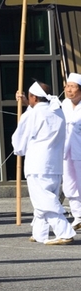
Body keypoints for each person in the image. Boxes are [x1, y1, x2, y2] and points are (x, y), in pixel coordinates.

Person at [13, 81, 75, 244]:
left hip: (37, 164)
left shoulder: (32, 114)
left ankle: (64, 231)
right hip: (54, 164)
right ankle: (39, 233)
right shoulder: (58, 111)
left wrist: (19, 149)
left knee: (44, 199)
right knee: (45, 198)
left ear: (33, 96)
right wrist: (28, 105)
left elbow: (20, 139)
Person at [59, 72, 81, 230]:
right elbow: (42, 108)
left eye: (72, 87)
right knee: (69, 185)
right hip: (66, 152)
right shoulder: (64, 104)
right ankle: (78, 216)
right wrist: (25, 101)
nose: (69, 90)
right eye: (67, 86)